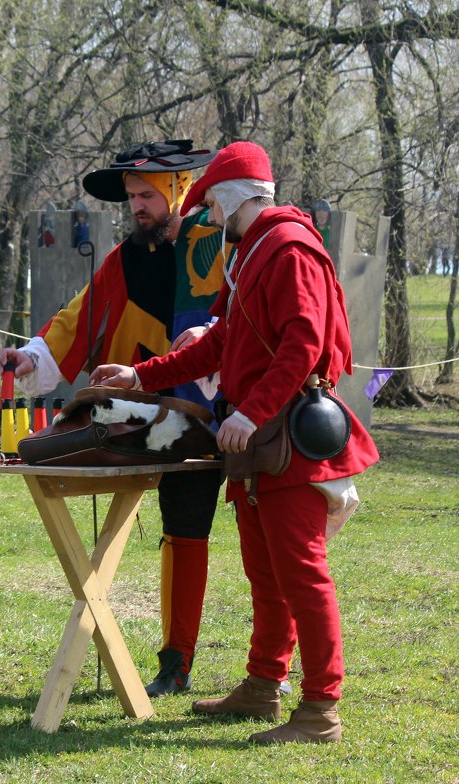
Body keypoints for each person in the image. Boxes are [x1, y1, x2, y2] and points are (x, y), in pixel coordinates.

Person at [90, 141, 380, 744]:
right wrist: (142, 375)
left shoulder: (289, 248)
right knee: (266, 573)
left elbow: (304, 346)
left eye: (211, 204)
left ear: (228, 195)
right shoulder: (250, 252)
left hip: (287, 435)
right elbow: (218, 343)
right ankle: (262, 686)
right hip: (256, 438)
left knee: (302, 574)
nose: (207, 216)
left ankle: (321, 708)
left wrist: (249, 411)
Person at [0, 139, 227, 697]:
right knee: (179, 526)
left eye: (147, 194)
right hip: (150, 416)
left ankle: (259, 671)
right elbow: (78, 319)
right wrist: (33, 357)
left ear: (177, 191)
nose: (138, 207)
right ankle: (175, 666)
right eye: (131, 197)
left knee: (241, 538)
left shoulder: (220, 244)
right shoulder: (126, 259)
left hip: (228, 411)